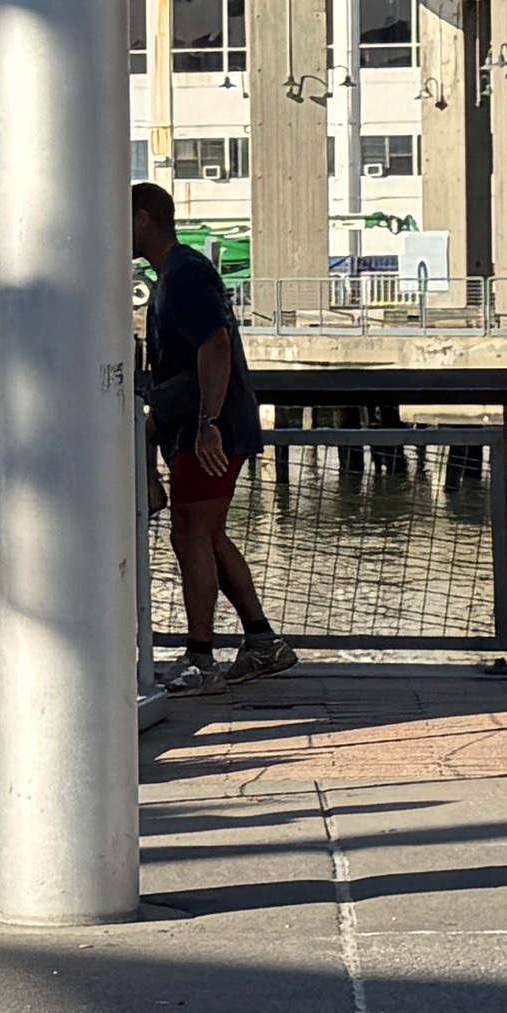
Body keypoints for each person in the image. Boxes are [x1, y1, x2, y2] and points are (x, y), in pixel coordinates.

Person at [131, 182, 293, 696]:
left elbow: (215, 344)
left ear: (142, 219)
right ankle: (262, 642)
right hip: (202, 425)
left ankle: (201, 659)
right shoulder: (175, 274)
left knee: (189, 534)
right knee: (208, 534)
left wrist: (208, 423)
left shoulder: (183, 274)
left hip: (209, 431)